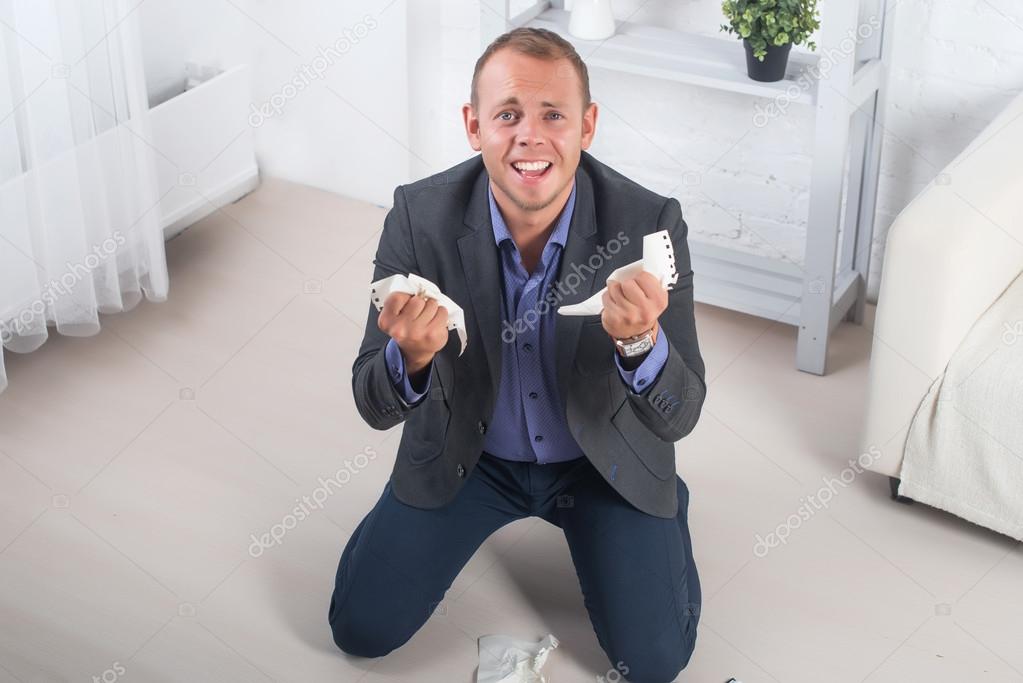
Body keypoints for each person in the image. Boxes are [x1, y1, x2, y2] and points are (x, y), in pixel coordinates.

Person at [329, 26, 707, 683]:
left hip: (599, 462)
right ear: (473, 127)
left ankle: (663, 500)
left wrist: (640, 342)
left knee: (651, 666)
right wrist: (411, 362)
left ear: (586, 126)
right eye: (506, 114)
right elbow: (371, 401)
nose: (528, 135)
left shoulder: (648, 223)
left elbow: (680, 414)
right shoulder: (418, 217)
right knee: (359, 630)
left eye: (552, 114)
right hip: (468, 458)